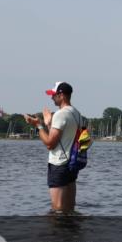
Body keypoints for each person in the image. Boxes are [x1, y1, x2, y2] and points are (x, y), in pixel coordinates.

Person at [25, 81, 85, 212]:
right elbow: (62, 139)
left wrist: (38, 126)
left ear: (61, 95)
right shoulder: (77, 114)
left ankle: (56, 232)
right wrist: (48, 124)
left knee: (57, 209)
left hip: (59, 165)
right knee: (69, 208)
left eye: (54, 95)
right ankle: (71, 232)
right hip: (72, 164)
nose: (51, 97)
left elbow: (50, 144)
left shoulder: (60, 114)